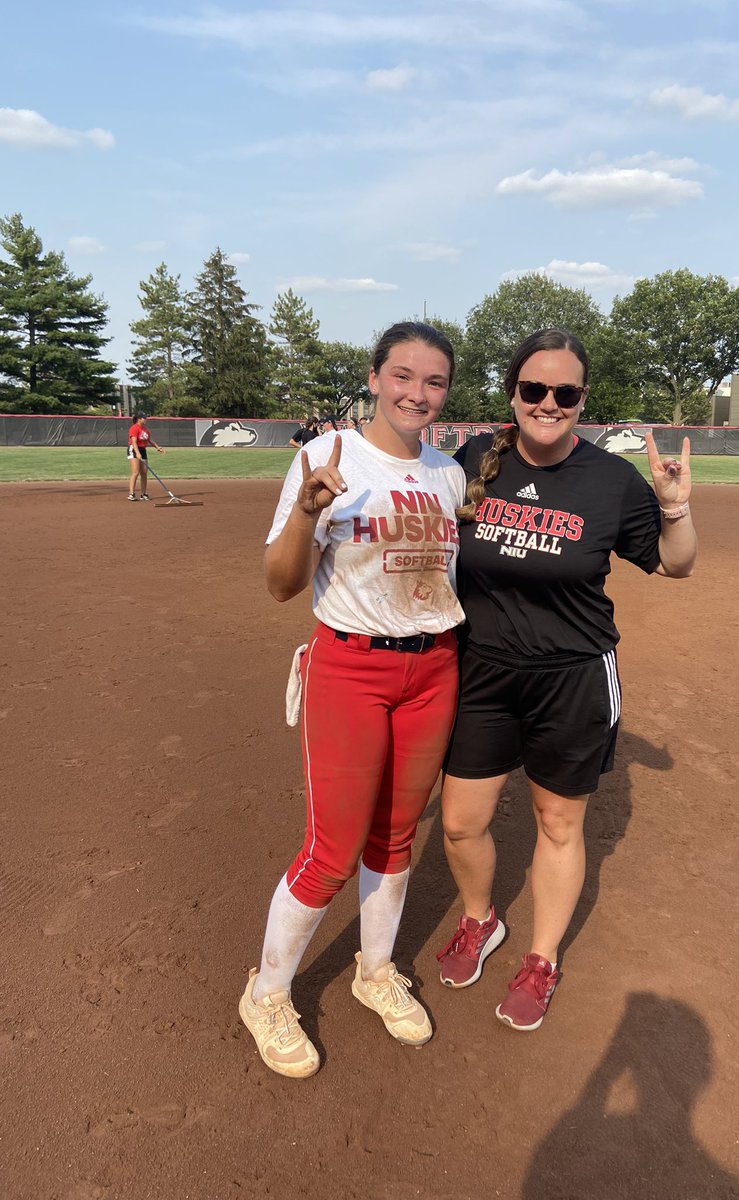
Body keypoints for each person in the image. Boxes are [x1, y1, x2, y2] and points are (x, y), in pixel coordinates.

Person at [436, 328, 698, 1031]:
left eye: (565, 393)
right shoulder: (471, 461)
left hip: (573, 677)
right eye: (534, 389)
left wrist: (673, 506)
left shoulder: (611, 482)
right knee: (461, 825)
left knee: (558, 822)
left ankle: (542, 958)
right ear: (512, 394)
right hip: (482, 672)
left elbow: (677, 564)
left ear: (582, 400)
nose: (548, 403)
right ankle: (480, 919)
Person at [240, 322, 466, 1078]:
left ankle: (374, 972)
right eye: (403, 375)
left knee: (396, 837)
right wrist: (307, 510)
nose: (417, 393)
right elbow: (279, 585)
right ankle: (267, 992)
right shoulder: (325, 458)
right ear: (374, 378)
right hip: (352, 670)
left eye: (434, 382)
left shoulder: (447, 474)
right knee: (332, 850)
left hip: (433, 671)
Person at [126, 413, 164, 501]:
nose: (146, 419)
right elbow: (134, 442)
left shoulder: (145, 429)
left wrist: (157, 447)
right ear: (139, 419)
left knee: (144, 472)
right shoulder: (134, 428)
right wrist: (137, 453)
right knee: (135, 472)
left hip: (143, 449)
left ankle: (143, 494)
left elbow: (149, 439)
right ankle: (131, 493)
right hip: (134, 449)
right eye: (144, 418)